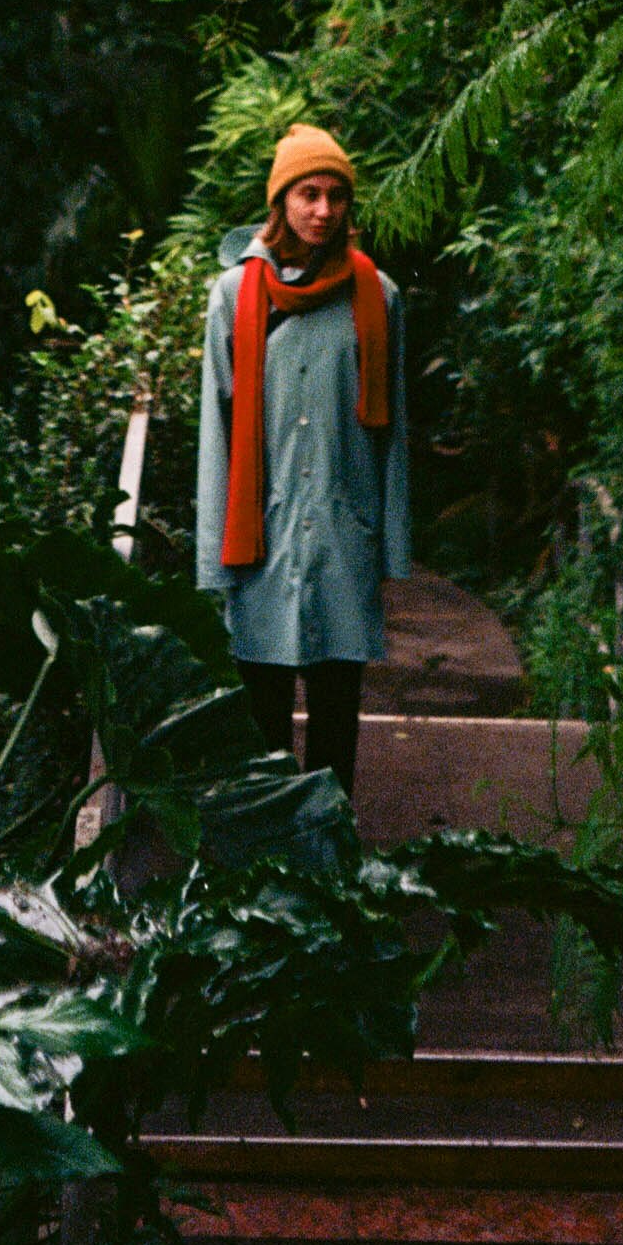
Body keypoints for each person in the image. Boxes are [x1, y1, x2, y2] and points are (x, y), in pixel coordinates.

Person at [194, 123, 409, 794]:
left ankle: (327, 854)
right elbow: (216, 429)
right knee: (260, 714)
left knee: (337, 713)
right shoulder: (233, 297)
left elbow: (393, 436)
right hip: (262, 538)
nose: (322, 210)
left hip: (344, 533)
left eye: (335, 195)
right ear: (281, 201)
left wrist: (392, 546)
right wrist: (211, 559)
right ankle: (265, 858)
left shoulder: (379, 298)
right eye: (307, 194)